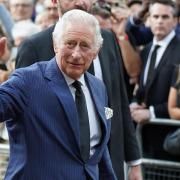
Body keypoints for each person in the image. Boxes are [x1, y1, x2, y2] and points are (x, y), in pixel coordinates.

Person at [15, 0, 142, 180]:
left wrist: (134, 161)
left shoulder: (108, 39)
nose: (80, 1)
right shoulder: (33, 46)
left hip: (107, 168)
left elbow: (119, 101)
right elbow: (18, 115)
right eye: (70, 44)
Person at [1, 9, 117, 179]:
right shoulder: (27, 80)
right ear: (55, 44)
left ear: (96, 51)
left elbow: (98, 151)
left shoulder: (98, 87)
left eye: (85, 45)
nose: (76, 54)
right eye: (70, 43)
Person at [130, 0, 180, 122]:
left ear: (175, 21)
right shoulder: (146, 51)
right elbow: (143, 87)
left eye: (165, 17)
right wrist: (135, 102)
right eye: (155, 16)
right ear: (149, 20)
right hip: (144, 131)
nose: (159, 21)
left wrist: (152, 112)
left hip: (171, 132)